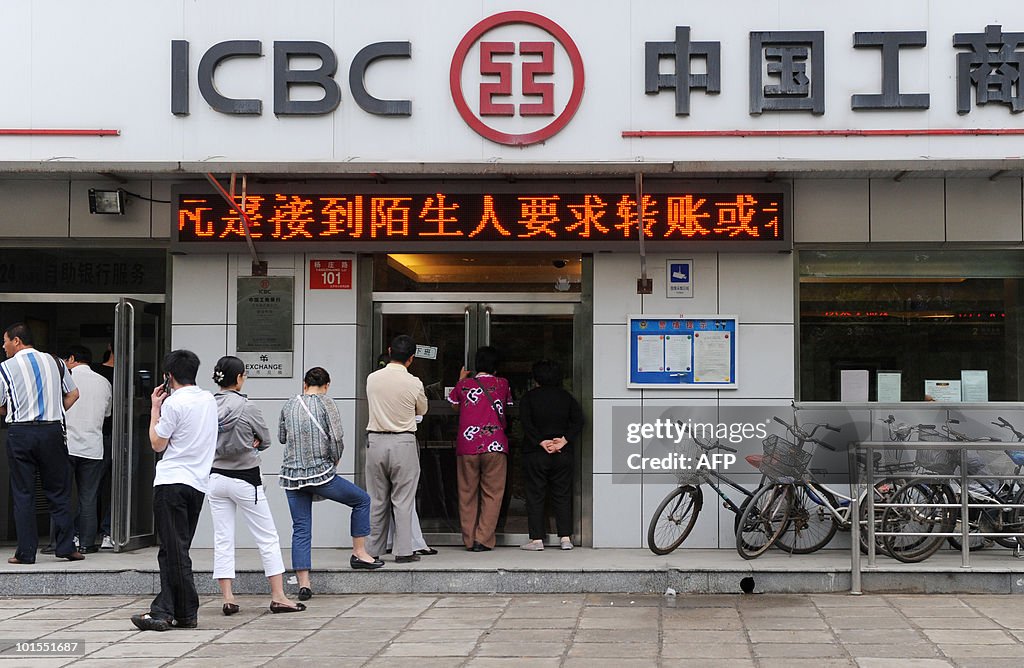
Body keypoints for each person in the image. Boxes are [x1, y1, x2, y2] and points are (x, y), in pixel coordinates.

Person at [130, 349, 217, 632]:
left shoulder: (174, 404)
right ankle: (166, 611)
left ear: (168, 377)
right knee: (174, 550)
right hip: (197, 484)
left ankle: (186, 611)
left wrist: (155, 408)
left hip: (172, 482)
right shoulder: (208, 400)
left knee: (174, 551)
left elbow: (157, 443)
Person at [210, 356, 305, 615]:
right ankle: (278, 595)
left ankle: (228, 598)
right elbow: (265, 440)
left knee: (223, 538)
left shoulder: (207, 405)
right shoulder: (247, 407)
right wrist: (252, 442)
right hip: (245, 478)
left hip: (215, 478)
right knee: (267, 537)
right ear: (239, 378)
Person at [280, 366, 382, 602]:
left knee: (301, 528)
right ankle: (359, 553)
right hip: (320, 474)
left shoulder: (289, 404)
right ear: (326, 385)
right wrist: (335, 458)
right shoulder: (327, 403)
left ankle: (304, 583)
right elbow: (336, 437)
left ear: (304, 384)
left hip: (292, 477)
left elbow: (282, 437)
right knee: (361, 500)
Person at [1, 323, 81, 564]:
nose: (3, 346)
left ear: (16, 341)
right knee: (59, 491)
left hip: (20, 433)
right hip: (52, 430)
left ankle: (26, 553)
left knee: (23, 493)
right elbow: (74, 394)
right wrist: (55, 412)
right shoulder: (56, 362)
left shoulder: (5, 368)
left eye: (4, 340)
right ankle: (66, 547)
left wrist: (14, 412)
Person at [365, 334, 428, 563]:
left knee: (377, 498)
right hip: (403, 441)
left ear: (389, 351)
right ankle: (403, 551)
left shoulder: (372, 378)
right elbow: (422, 409)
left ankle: (372, 550)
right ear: (411, 359)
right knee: (403, 499)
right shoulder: (414, 382)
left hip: (376, 441)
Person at [448, 346, 512, 551]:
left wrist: (460, 380)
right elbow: (507, 406)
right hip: (495, 444)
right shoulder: (502, 384)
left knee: (467, 492)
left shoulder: (464, 385)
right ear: (496, 366)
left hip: (468, 445)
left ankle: (468, 539)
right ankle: (482, 539)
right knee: (493, 493)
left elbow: (454, 405)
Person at [518, 359, 584, 551]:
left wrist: (540, 441)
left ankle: (537, 540)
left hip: (536, 453)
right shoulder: (567, 398)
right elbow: (578, 421)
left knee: (536, 494)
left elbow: (526, 422)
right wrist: (563, 440)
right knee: (562, 494)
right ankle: (565, 538)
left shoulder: (529, 398)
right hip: (562, 452)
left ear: (536, 378)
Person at [62, 345, 112, 554]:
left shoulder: (67, 379)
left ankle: (61, 542)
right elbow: (108, 413)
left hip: (68, 444)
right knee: (89, 497)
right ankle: (87, 543)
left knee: (62, 496)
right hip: (93, 446)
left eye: (65, 360)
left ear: (72, 358)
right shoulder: (104, 382)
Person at [92, 340, 115, 550]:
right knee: (96, 486)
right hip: (104, 434)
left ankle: (107, 530)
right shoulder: (96, 373)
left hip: (112, 434)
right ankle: (99, 532)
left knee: (119, 487)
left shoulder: (130, 371)